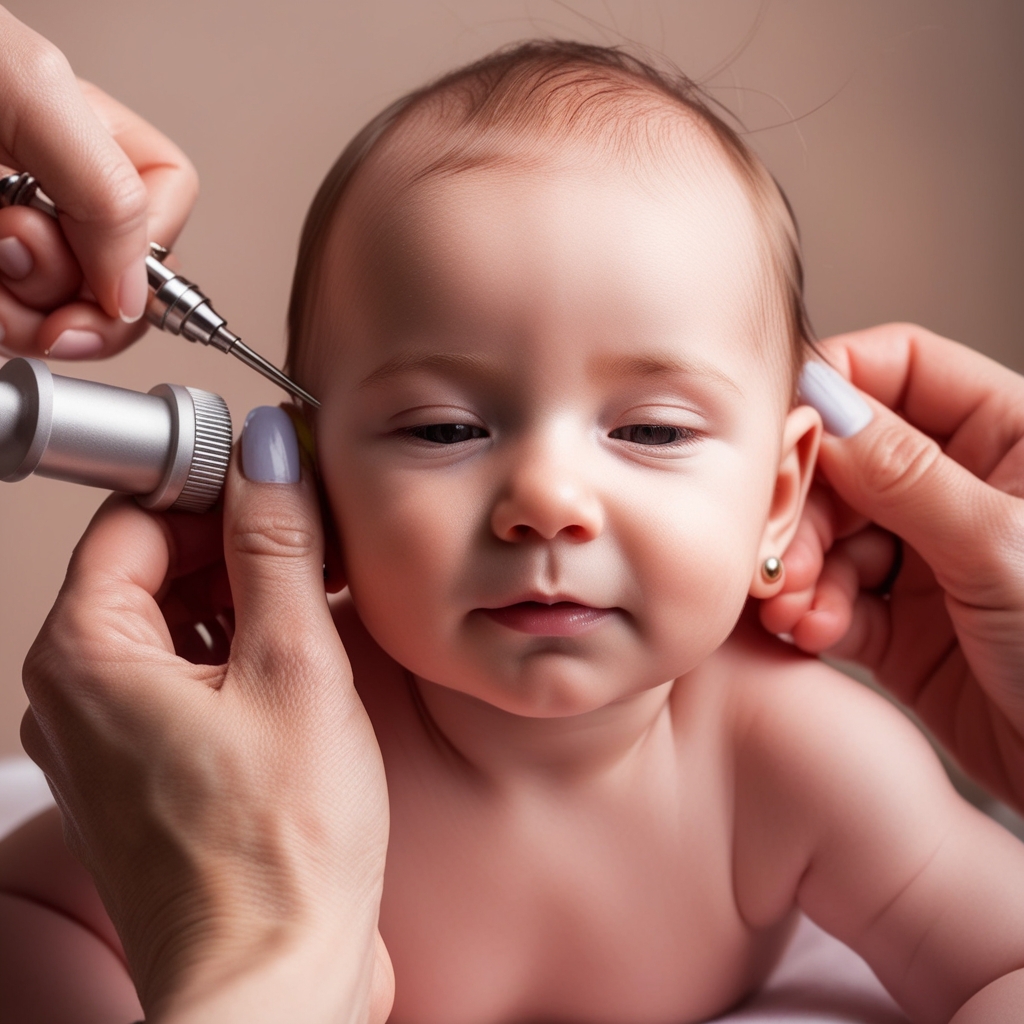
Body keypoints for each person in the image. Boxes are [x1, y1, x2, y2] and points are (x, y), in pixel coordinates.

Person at [6, 37, 1024, 1023]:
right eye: (445, 427)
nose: (546, 499)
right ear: (315, 479)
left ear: (777, 493)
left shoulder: (794, 754)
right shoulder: (273, 748)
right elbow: (29, 913)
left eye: (650, 429)